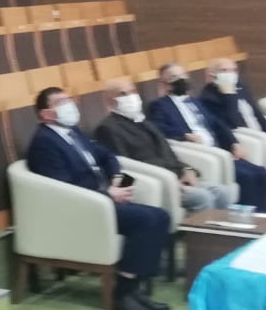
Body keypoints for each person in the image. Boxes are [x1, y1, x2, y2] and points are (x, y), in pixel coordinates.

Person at [26, 87, 172, 310]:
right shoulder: (44, 142)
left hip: (102, 200)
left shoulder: (73, 132)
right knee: (145, 221)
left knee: (161, 216)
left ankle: (133, 288)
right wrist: (106, 194)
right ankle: (122, 295)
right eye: (60, 102)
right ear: (45, 114)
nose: (69, 104)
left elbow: (106, 155)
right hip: (82, 209)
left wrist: (116, 177)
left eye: (68, 99)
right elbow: (63, 188)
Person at [93, 78, 237, 212]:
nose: (131, 97)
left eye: (133, 91)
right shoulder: (108, 128)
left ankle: (223, 230)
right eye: (123, 94)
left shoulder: (145, 122)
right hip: (158, 183)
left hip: (176, 176)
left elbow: (167, 152)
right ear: (110, 101)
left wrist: (186, 169)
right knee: (202, 197)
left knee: (222, 192)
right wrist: (170, 181)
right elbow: (125, 166)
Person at [149, 62, 266, 212]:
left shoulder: (195, 101)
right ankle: (247, 218)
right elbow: (159, 128)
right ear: (165, 84)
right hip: (202, 152)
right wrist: (184, 135)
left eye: (183, 75)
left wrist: (234, 143)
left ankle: (264, 216)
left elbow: (217, 124)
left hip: (219, 149)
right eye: (174, 77)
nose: (181, 79)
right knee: (247, 177)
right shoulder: (159, 105)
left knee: (261, 173)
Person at [201, 56, 266, 210]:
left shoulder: (241, 87)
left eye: (233, 70)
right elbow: (232, 122)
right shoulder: (208, 97)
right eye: (225, 71)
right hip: (250, 141)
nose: (231, 74)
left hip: (263, 137)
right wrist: (228, 95)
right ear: (211, 76)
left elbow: (258, 116)